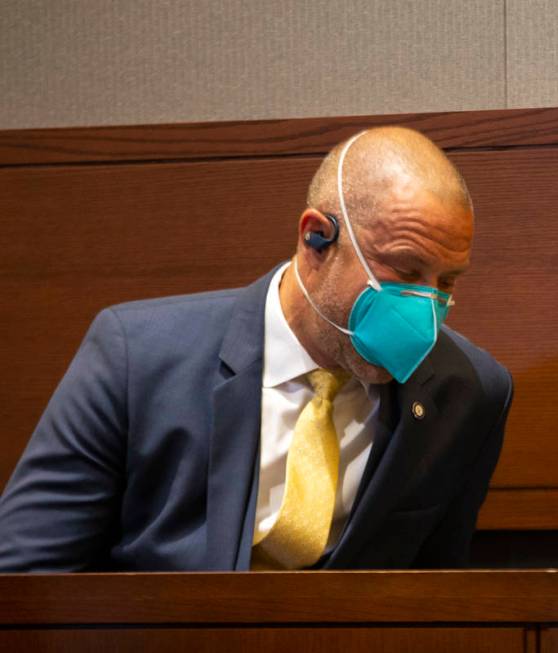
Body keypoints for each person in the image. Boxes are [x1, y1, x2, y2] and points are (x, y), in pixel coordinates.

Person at [0, 127, 513, 572]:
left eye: (445, 282)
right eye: (405, 272)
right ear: (317, 237)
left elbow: (436, 597)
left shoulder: (468, 391)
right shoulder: (136, 357)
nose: (428, 310)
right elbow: (26, 579)